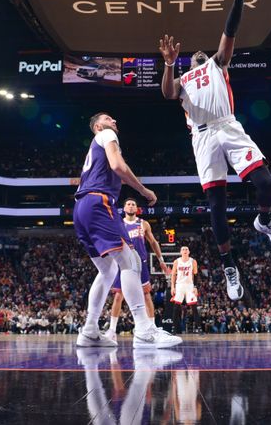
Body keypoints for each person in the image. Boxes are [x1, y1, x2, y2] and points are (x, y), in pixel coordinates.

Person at [158, 0, 271, 302]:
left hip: (228, 127)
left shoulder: (218, 64)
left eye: (202, 53)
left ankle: (264, 220)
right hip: (202, 137)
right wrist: (169, 65)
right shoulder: (183, 78)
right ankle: (229, 265)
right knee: (216, 205)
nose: (198, 54)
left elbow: (231, 29)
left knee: (265, 182)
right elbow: (168, 93)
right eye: (192, 55)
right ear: (188, 61)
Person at [73, 112, 181, 348]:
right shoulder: (106, 134)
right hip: (98, 202)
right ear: (98, 126)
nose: (115, 121)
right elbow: (118, 166)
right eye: (109, 118)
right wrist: (144, 191)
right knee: (130, 260)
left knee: (108, 270)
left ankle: (89, 330)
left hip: (80, 209)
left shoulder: (93, 150)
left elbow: (112, 170)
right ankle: (144, 329)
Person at [104, 198, 169, 342]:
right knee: (118, 296)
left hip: (141, 264)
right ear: (124, 208)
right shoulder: (119, 224)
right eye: (128, 204)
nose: (131, 206)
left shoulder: (143, 224)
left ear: (137, 208)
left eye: (134, 204)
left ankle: (152, 328)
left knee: (146, 295)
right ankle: (112, 330)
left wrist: (161, 261)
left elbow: (153, 242)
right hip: (124, 264)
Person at [170, 246, 201, 334]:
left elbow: (195, 275)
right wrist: (172, 287)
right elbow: (173, 275)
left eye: (186, 249)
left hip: (189, 285)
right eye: (183, 249)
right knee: (176, 308)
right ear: (180, 252)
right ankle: (173, 329)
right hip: (179, 285)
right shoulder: (177, 261)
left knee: (194, 308)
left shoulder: (193, 261)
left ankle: (199, 328)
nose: (185, 251)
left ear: (189, 252)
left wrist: (195, 287)